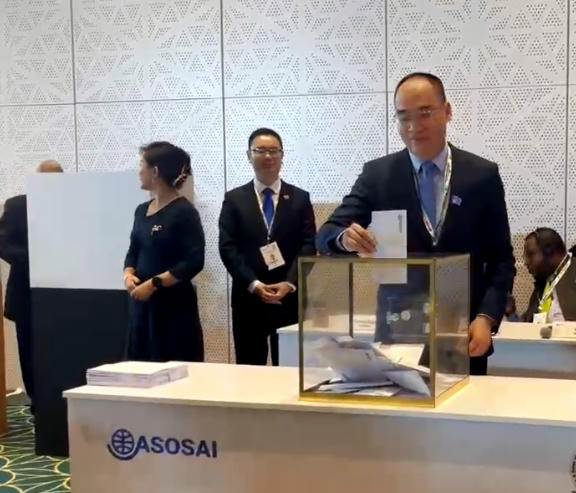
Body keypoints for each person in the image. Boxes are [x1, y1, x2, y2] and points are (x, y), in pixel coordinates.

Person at [316, 72, 515, 375]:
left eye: (424, 113)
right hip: (399, 330)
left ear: (447, 111)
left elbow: (501, 259)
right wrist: (345, 238)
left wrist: (486, 317)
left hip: (463, 332)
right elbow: (326, 234)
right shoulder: (378, 175)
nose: (413, 126)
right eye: (403, 117)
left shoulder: (481, 175)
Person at [219, 128, 316, 365]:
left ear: (282, 155)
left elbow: (308, 245)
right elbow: (228, 247)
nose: (268, 156)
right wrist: (254, 284)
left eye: (274, 150)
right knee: (250, 368)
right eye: (260, 151)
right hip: (249, 298)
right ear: (248, 155)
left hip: (289, 298)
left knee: (290, 368)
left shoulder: (300, 198)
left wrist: (290, 283)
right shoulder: (234, 199)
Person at [123, 142, 205, 361]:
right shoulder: (141, 210)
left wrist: (154, 283)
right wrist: (128, 274)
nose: (139, 172)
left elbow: (194, 261)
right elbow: (133, 250)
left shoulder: (184, 212)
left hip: (173, 308)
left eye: (142, 165)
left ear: (155, 171)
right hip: (142, 307)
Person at [0, 160, 63, 412]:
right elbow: (3, 243)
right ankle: (37, 403)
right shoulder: (16, 206)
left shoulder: (73, 206)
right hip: (26, 293)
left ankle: (59, 401)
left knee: (61, 350)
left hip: (65, 293)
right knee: (29, 352)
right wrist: (36, 258)